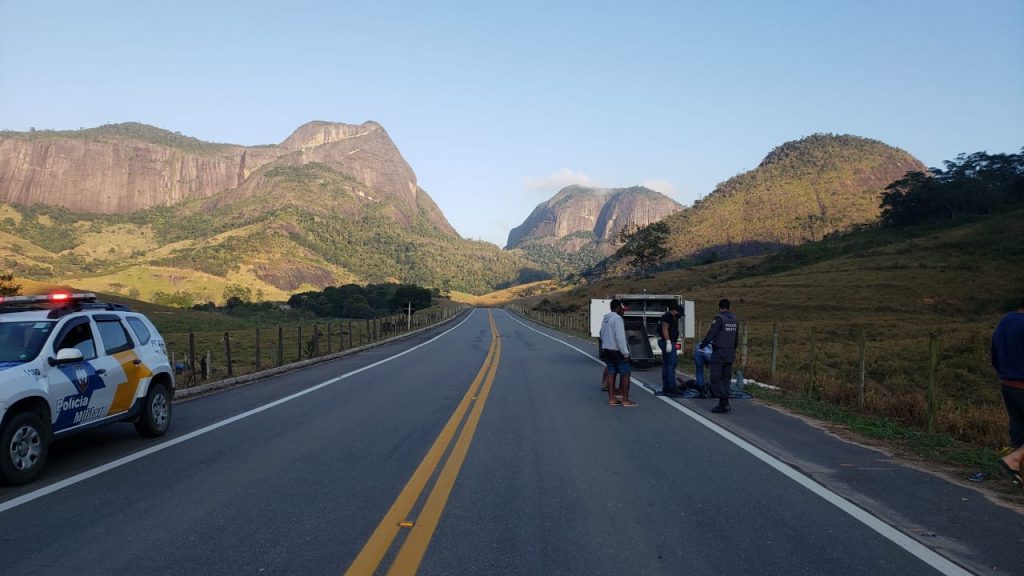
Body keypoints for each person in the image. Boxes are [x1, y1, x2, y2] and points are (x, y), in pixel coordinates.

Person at [992, 299, 1024, 489]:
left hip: (1007, 383)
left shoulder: (1006, 320)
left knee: (1019, 431)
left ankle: (1017, 472)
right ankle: (1014, 459)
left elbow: (995, 352)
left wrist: (1004, 372)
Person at [700, 298, 739, 413]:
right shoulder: (734, 319)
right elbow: (736, 338)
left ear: (720, 307)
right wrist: (733, 349)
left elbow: (712, 334)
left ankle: (724, 400)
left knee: (715, 379)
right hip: (730, 352)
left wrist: (703, 345)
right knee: (726, 378)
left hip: (719, 352)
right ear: (729, 307)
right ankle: (723, 403)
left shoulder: (719, 319)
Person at [600, 299, 636, 407]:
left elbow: (601, 334)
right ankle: (625, 399)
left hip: (606, 349)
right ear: (618, 308)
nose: (623, 311)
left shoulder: (605, 319)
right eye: (622, 309)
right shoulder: (617, 319)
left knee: (611, 372)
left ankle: (612, 399)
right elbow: (620, 338)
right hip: (616, 350)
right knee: (625, 373)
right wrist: (626, 353)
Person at [657, 304, 684, 396]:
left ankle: (667, 387)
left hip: (668, 342)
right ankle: (671, 388)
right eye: (678, 313)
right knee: (671, 364)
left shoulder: (671, 317)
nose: (679, 316)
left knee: (667, 364)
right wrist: (668, 341)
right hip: (667, 342)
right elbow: (665, 329)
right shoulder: (668, 317)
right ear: (674, 311)